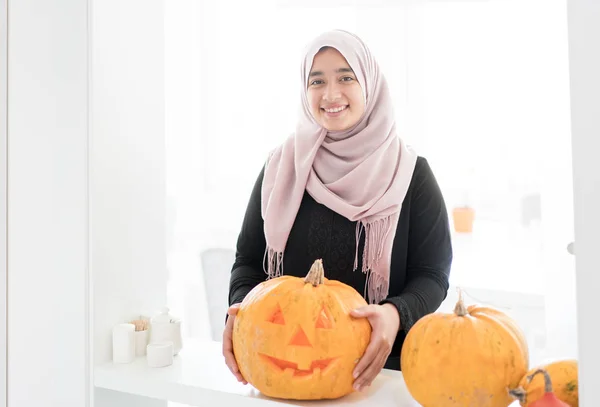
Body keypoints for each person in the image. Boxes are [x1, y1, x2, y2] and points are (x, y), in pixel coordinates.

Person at [222, 29, 453, 392]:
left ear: (369, 85)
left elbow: (432, 275)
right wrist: (239, 315)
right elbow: (247, 262)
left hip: (381, 378)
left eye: (346, 77)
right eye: (317, 81)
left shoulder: (410, 173)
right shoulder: (281, 166)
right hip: (281, 378)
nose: (331, 94)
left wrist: (396, 314)